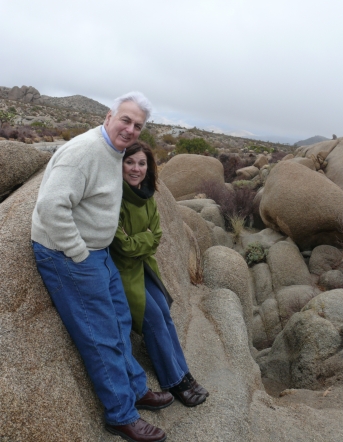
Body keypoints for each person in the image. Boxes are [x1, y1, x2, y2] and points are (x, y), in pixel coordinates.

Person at [31, 92, 172, 442]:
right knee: (100, 336)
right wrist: (78, 252)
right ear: (109, 116)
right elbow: (50, 206)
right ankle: (121, 415)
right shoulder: (84, 151)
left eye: (137, 125)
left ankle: (136, 389)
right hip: (70, 256)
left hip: (99, 252)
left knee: (121, 320)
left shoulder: (115, 150)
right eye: (125, 119)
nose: (130, 129)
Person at [110, 141, 209, 407]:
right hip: (122, 272)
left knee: (165, 313)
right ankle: (175, 382)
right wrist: (143, 240)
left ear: (148, 168)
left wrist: (139, 240)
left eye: (141, 163)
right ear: (119, 164)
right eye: (129, 162)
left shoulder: (146, 196)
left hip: (143, 266)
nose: (136, 168)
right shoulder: (113, 197)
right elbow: (122, 244)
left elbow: (156, 237)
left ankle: (184, 373)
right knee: (152, 318)